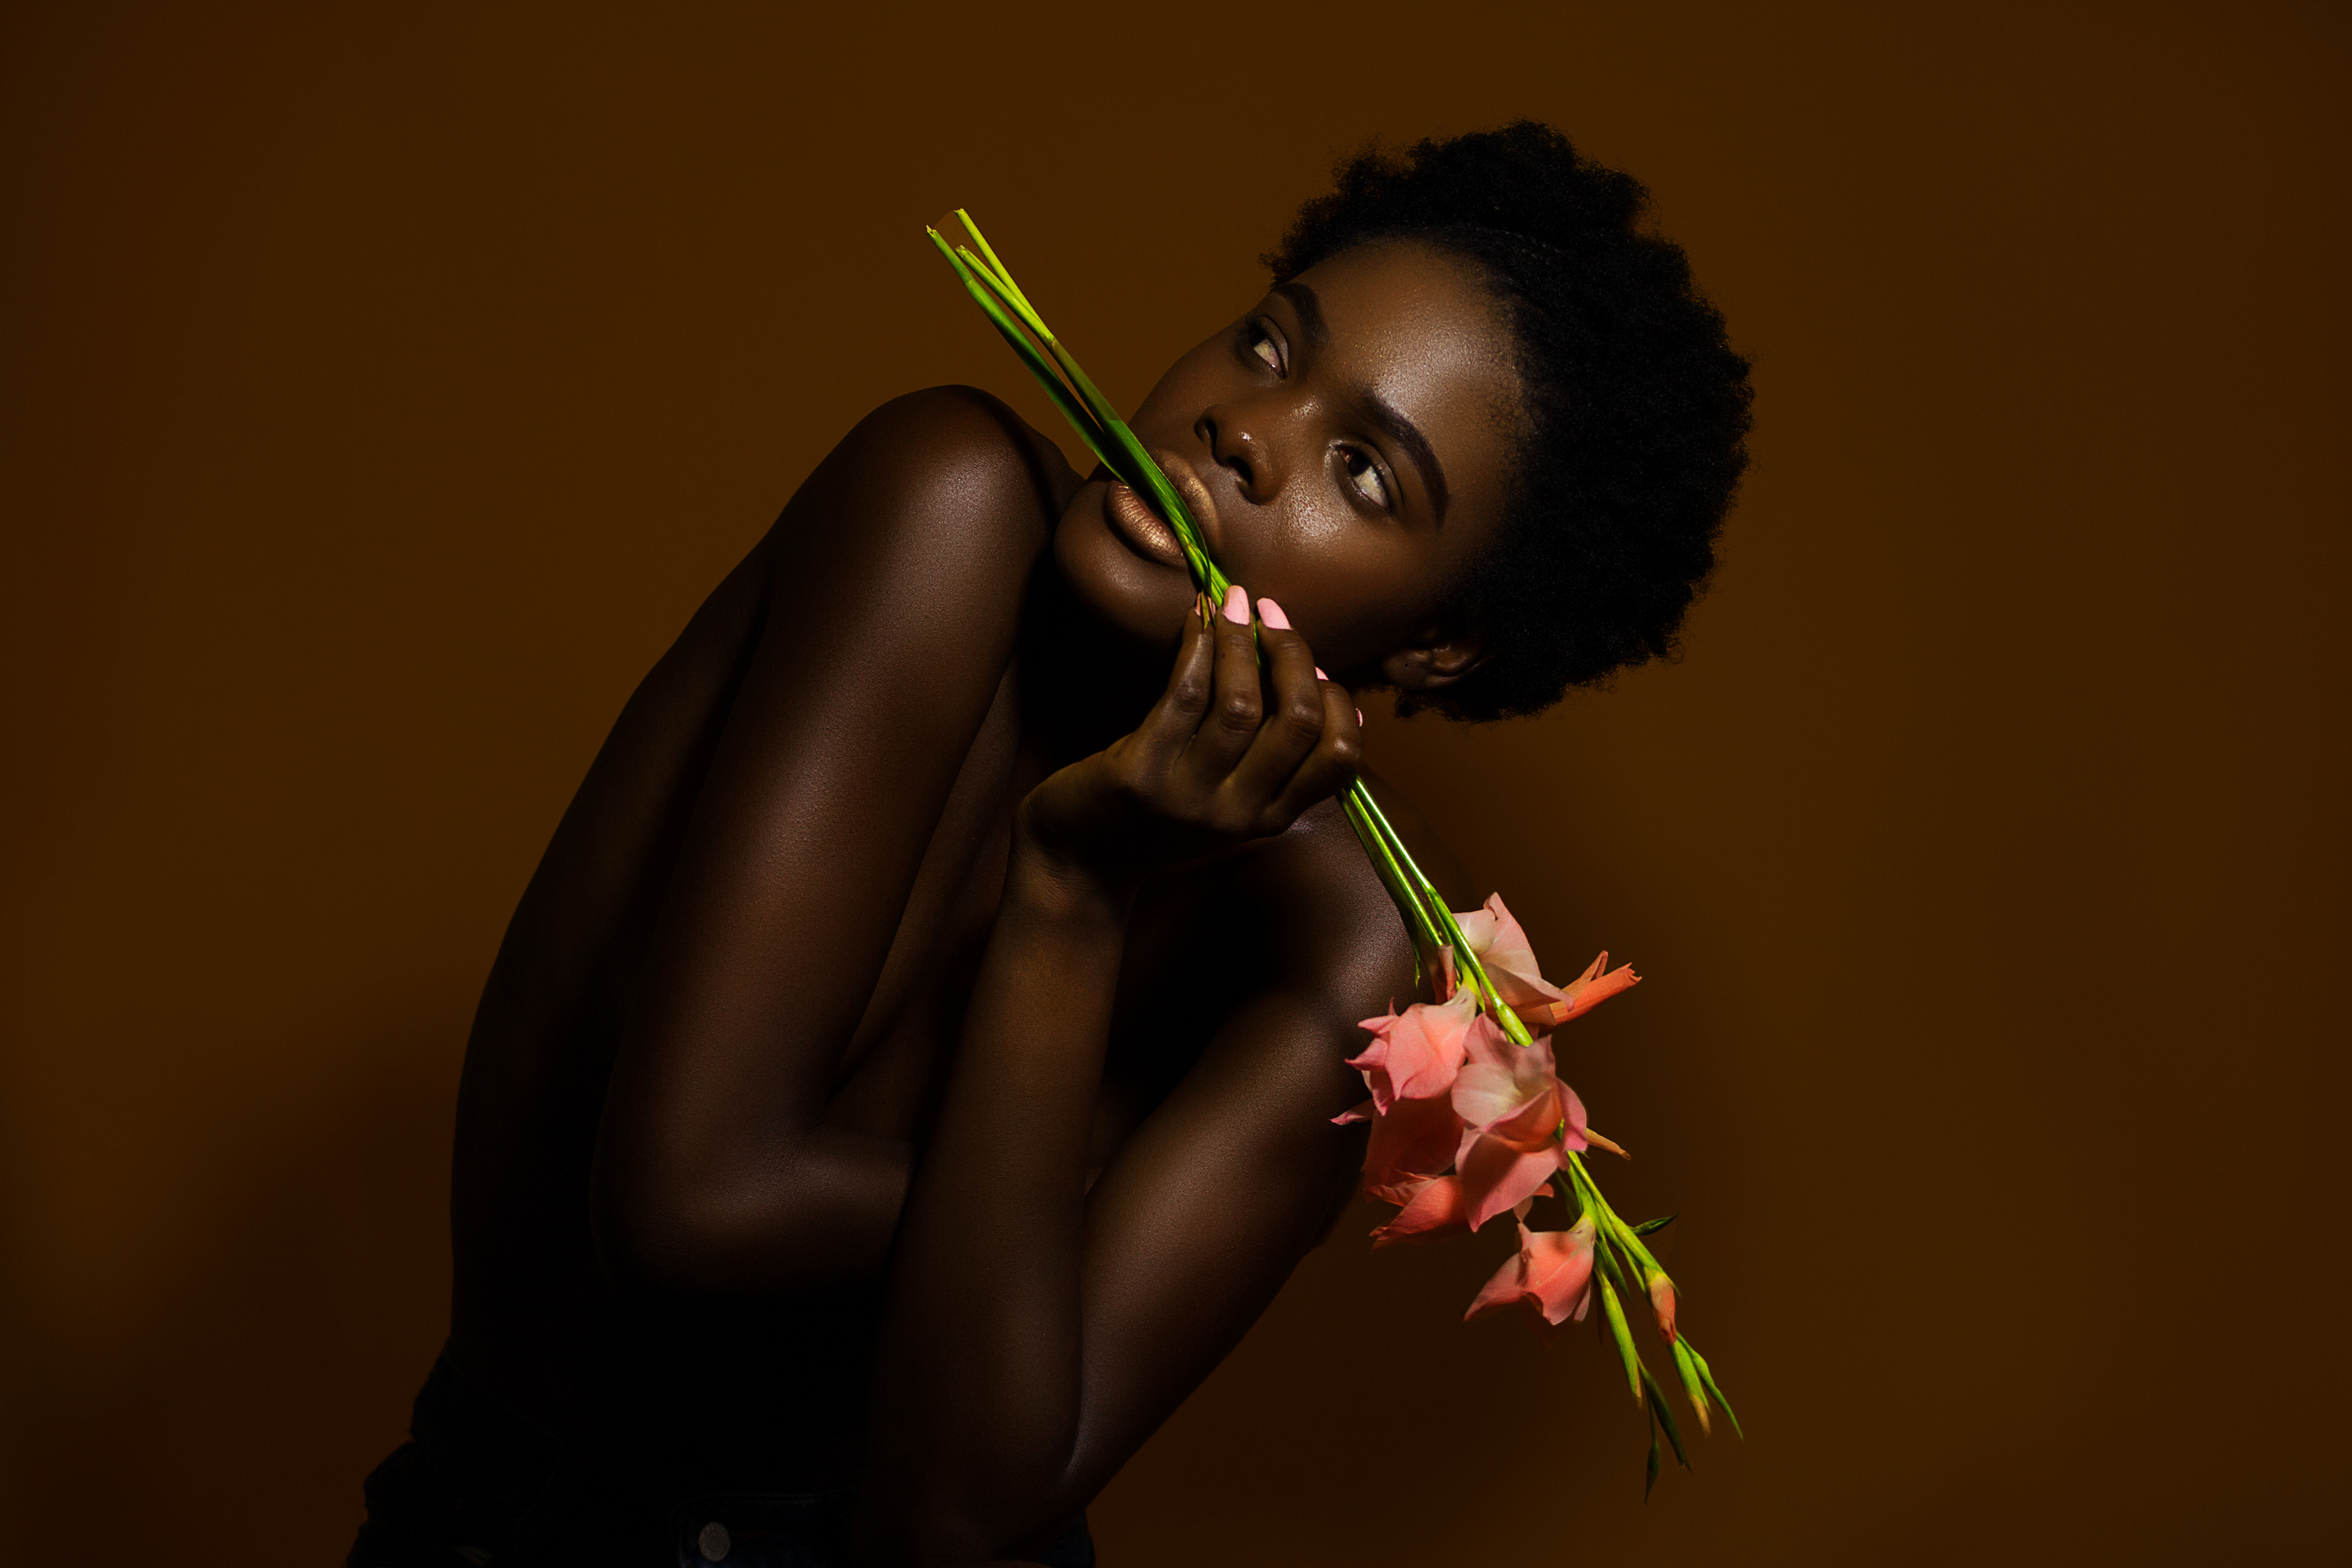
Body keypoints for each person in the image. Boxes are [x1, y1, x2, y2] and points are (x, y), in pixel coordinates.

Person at [350, 121, 1752, 1568]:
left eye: (1366, 472)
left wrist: (1073, 893)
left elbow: (961, 1508)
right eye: (1270, 346)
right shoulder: (943, 507)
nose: (1245, 434)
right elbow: (689, 1200)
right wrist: (1055, 1235)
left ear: (1444, 644)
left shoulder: (1357, 953)